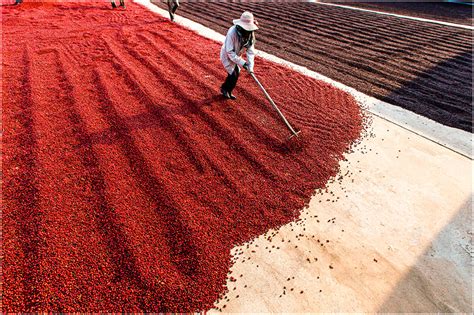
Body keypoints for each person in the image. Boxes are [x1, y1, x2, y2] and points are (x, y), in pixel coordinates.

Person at [220, 11, 258, 100]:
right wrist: (243, 63)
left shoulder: (250, 36)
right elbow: (229, 52)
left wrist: (250, 67)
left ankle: (227, 90)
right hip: (228, 54)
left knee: (236, 73)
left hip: (236, 55)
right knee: (233, 73)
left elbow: (250, 52)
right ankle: (225, 89)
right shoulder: (232, 33)